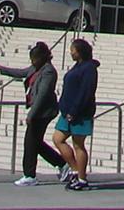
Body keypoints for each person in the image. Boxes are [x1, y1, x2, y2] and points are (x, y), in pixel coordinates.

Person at [0, 41, 64, 186]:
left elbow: (43, 95)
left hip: (44, 112)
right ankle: (62, 164)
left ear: (42, 57)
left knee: (30, 143)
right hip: (38, 111)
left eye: (34, 59)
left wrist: (32, 114)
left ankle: (30, 175)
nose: (32, 62)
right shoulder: (36, 68)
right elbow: (21, 72)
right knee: (35, 142)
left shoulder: (48, 71)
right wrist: (1, 68)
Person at [52, 38, 99, 191]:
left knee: (78, 145)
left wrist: (74, 110)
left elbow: (86, 91)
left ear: (79, 52)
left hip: (80, 113)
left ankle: (82, 178)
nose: (71, 52)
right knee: (58, 139)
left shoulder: (89, 68)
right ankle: (75, 169)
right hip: (67, 112)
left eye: (73, 50)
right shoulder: (77, 66)